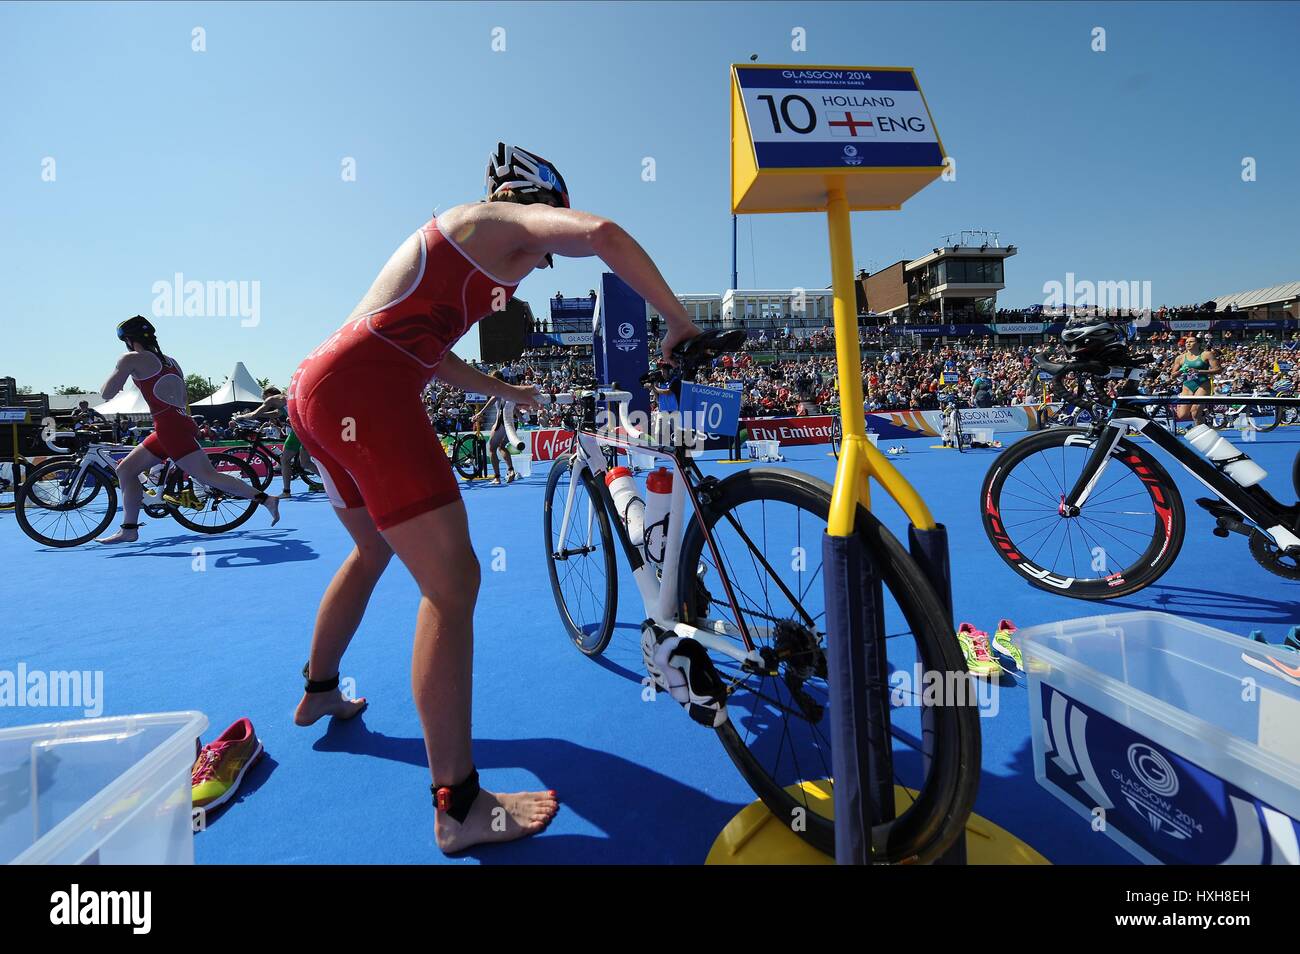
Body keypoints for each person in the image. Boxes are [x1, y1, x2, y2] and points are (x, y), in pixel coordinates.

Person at [285, 142, 702, 853]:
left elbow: (430, 353)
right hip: (365, 392)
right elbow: (603, 236)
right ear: (535, 203)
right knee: (453, 584)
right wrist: (676, 319)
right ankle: (458, 806)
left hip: (320, 389)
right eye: (544, 244)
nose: (541, 265)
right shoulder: (489, 221)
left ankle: (319, 685)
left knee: (370, 550)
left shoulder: (461, 259)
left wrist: (504, 390)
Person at [96, 316, 279, 544]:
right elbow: (182, 398)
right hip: (175, 423)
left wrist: (119, 367)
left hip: (169, 428)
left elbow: (106, 393)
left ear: (127, 340)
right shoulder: (171, 361)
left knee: (208, 476)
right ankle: (129, 529)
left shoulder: (130, 358)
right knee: (125, 470)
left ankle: (265, 499)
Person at [472, 373, 518, 485]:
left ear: (497, 379)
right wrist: (520, 417)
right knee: (501, 446)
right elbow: (514, 407)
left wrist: (480, 413)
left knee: (492, 448)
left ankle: (497, 477)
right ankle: (511, 470)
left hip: (502, 422)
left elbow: (493, 399)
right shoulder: (510, 388)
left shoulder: (499, 388)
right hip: (513, 423)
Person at [1172, 334, 1220, 426]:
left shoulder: (1206, 354)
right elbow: (1172, 376)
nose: (1188, 344)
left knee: (1195, 412)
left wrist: (1198, 371)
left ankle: (1201, 431)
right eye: (1186, 342)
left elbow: (1218, 370)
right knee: (1182, 415)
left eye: (1191, 342)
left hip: (1202, 384)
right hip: (1187, 385)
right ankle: (1204, 413)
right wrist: (1181, 371)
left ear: (1198, 344)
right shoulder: (1180, 358)